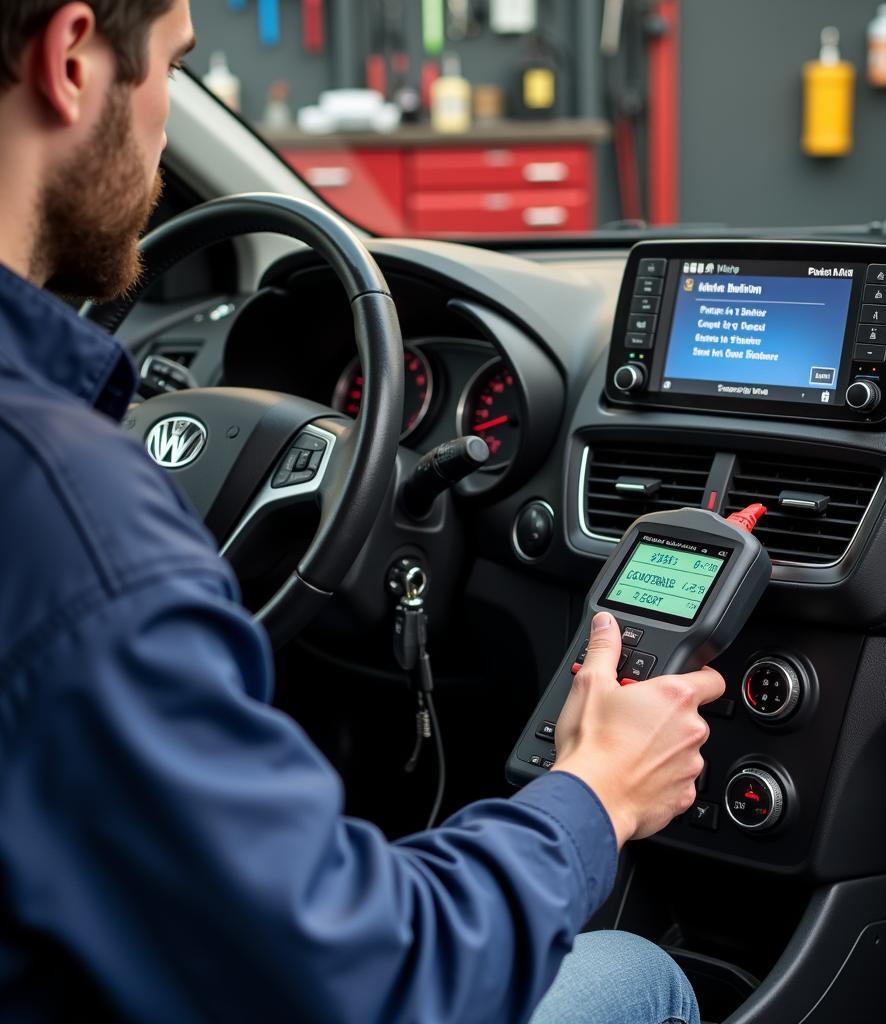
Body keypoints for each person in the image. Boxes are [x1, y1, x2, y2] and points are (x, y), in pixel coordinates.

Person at [0, 2, 725, 1021]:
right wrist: (597, 791)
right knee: (640, 978)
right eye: (170, 67)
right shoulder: (71, 517)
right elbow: (379, 977)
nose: (164, 125)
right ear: (70, 59)